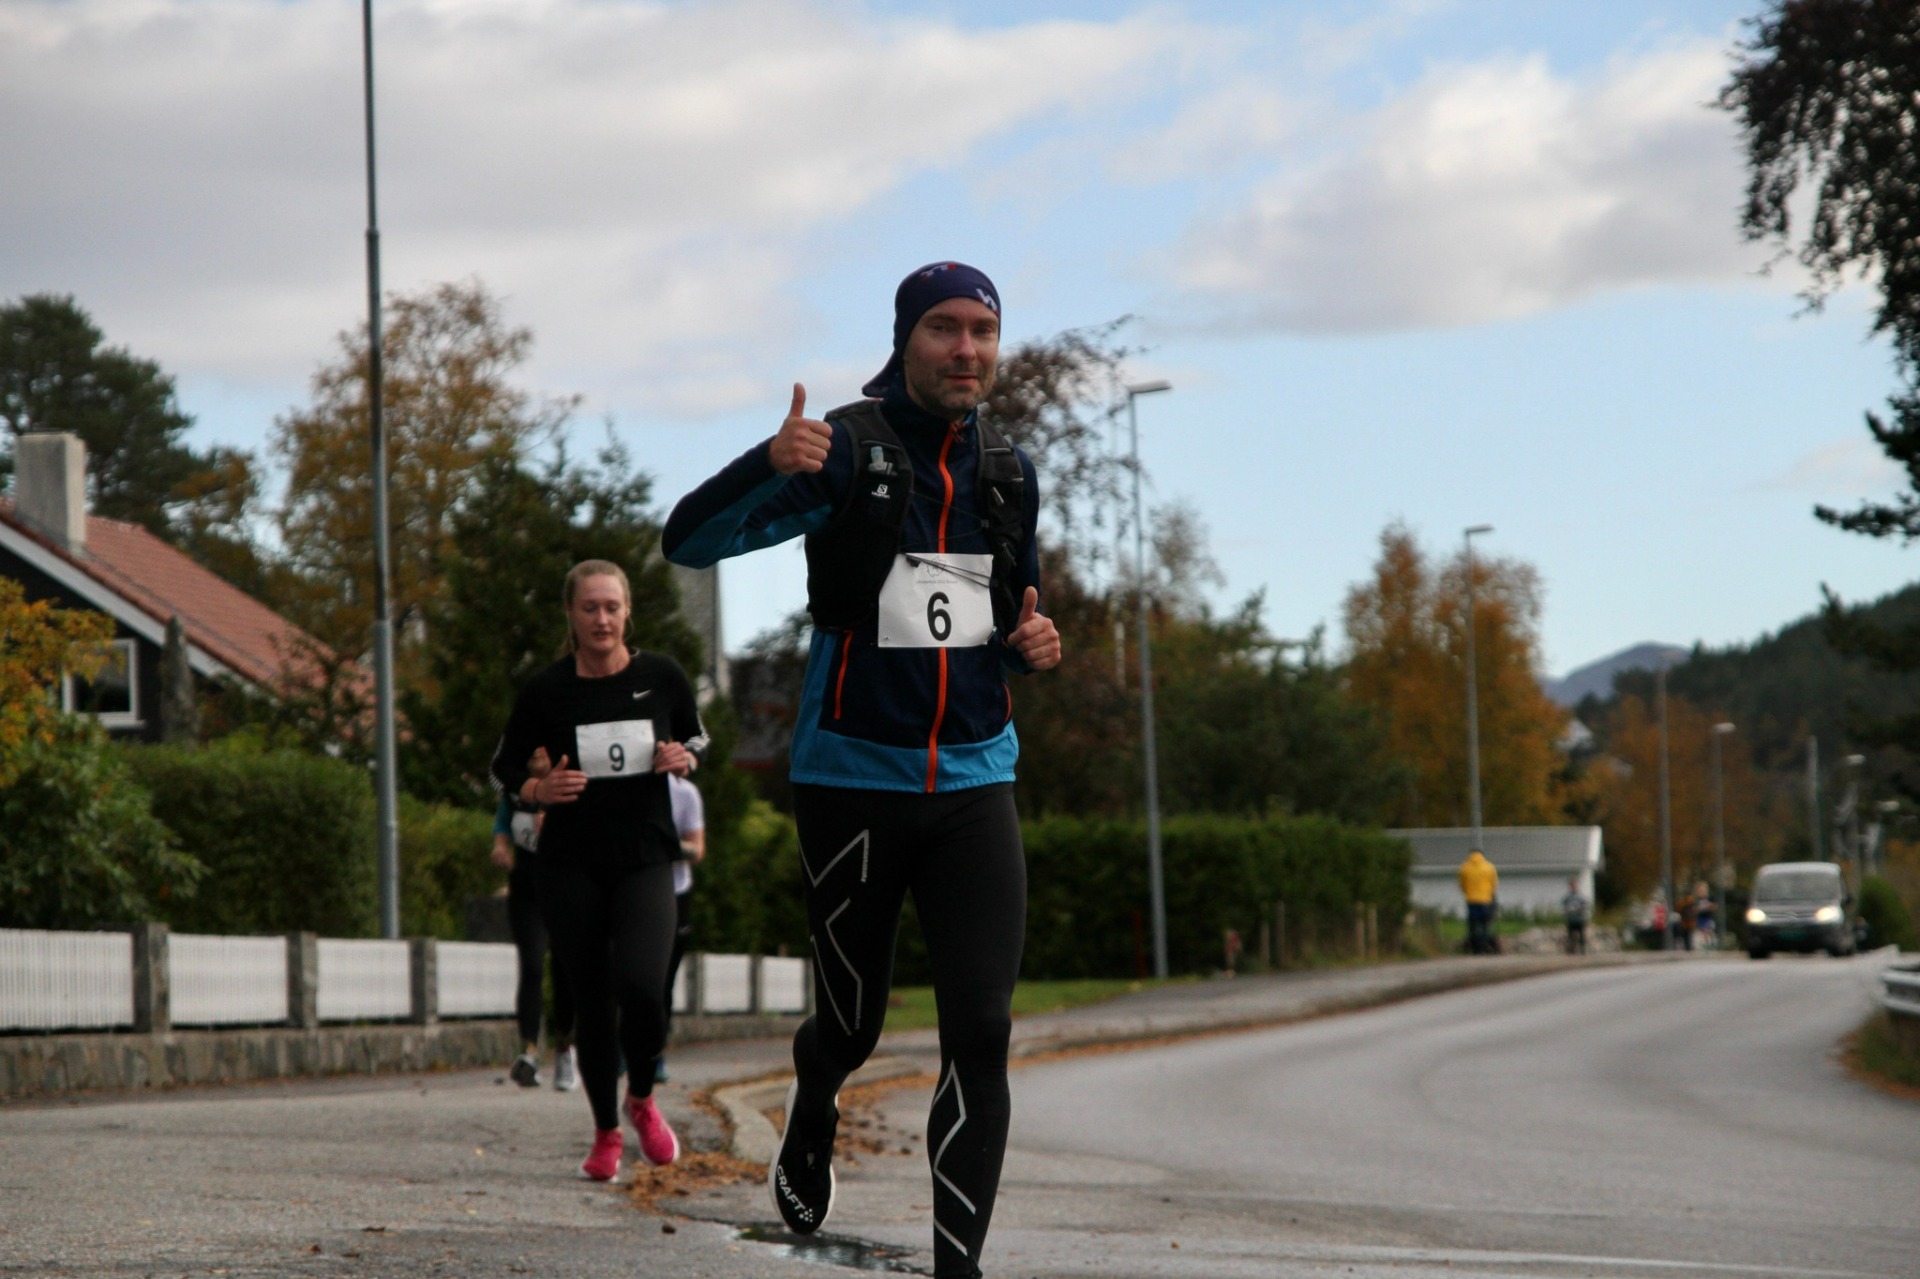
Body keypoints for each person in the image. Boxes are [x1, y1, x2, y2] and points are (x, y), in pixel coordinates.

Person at [662, 261, 1061, 1279]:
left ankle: (958, 1268)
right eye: (943, 328)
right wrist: (765, 462)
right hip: (852, 781)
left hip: (975, 781)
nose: (966, 348)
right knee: (852, 1021)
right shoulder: (846, 450)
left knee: (982, 1029)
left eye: (982, 330)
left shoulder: (1008, 471)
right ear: (904, 338)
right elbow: (688, 543)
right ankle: (814, 1097)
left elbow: (1007, 612)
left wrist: (1032, 643)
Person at [489, 559, 709, 1182]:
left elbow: (697, 739)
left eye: (612, 607)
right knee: (591, 1001)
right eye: (590, 608)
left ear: (627, 611)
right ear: (571, 614)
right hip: (570, 865)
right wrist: (537, 790)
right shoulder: (546, 690)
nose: (602, 619)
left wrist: (682, 758)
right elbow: (502, 768)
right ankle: (606, 1131)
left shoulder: (661, 676)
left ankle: (641, 1098)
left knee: (643, 988)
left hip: (645, 858)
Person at [492, 751, 578, 1092]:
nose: (533, 758)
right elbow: (502, 824)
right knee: (531, 965)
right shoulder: (516, 792)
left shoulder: (570, 786)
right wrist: (501, 846)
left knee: (564, 968)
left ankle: (565, 1048)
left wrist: (558, 829)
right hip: (527, 889)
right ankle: (528, 1051)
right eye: (529, 753)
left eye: (540, 753)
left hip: (565, 887)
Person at [654, 772, 705, 1084]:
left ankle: (654, 1052)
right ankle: (621, 1048)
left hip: (675, 892)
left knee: (663, 980)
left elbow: (697, 850)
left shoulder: (684, 793)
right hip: (631, 892)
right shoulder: (623, 787)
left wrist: (667, 843)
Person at [1459, 848, 1499, 955]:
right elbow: (1494, 884)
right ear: (1482, 855)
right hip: (1485, 900)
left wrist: (1468, 893)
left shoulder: (1464, 867)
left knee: (1473, 925)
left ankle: (1475, 947)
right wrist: (1490, 895)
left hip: (1471, 901)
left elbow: (1462, 885)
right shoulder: (1489, 867)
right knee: (1485, 925)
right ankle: (1485, 945)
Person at [1561, 876, 1589, 956]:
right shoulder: (1567, 897)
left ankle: (1583, 950)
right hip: (1571, 919)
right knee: (1570, 936)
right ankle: (1571, 950)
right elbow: (1564, 908)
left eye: (1575, 885)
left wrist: (1579, 910)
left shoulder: (1581, 896)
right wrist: (1568, 911)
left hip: (1580, 919)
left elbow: (1585, 906)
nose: (1573, 887)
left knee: (1582, 935)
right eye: (1572, 885)